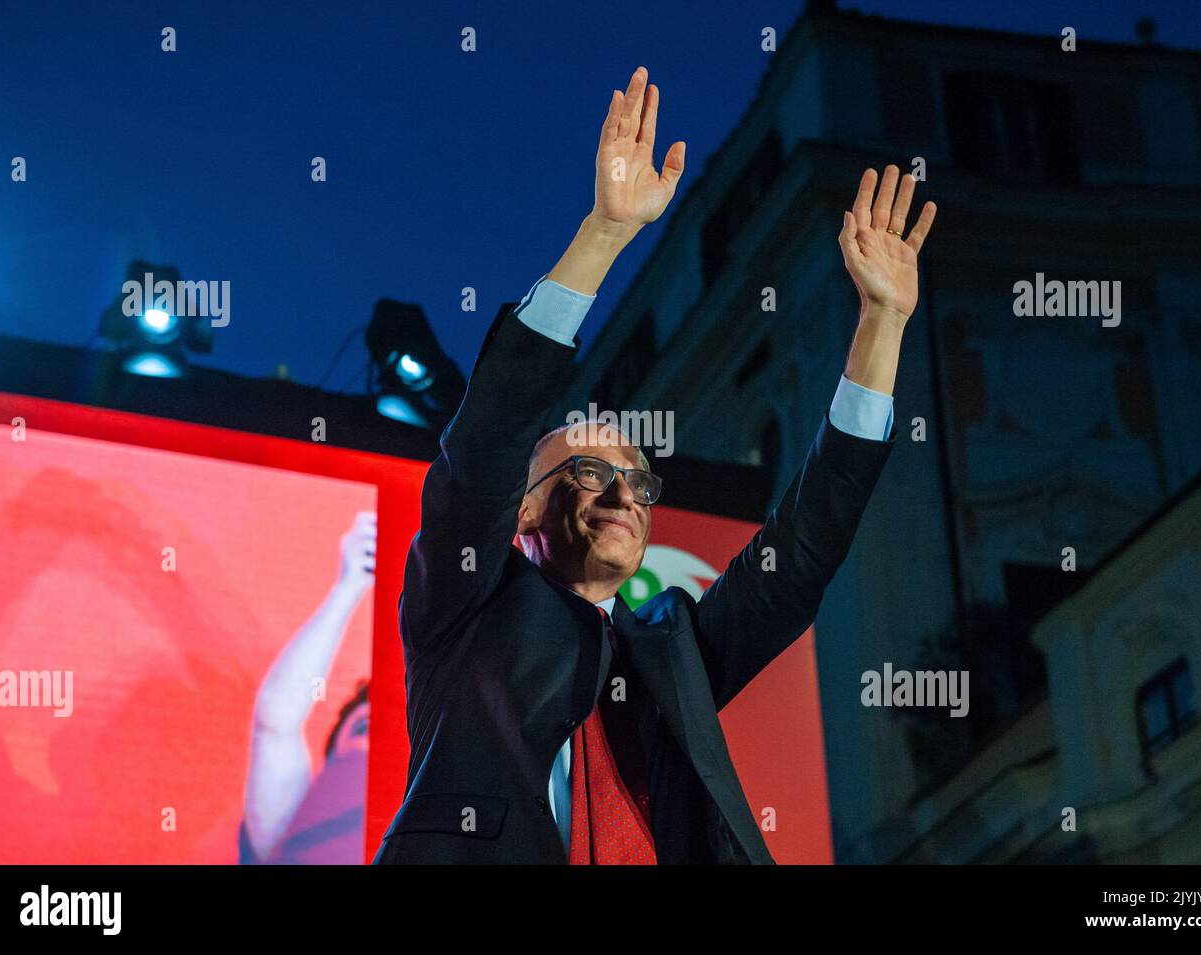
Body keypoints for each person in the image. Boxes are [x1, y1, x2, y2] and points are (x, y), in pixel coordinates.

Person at [374, 66, 936, 864]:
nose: (624, 492)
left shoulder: (676, 651)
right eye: (590, 471)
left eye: (639, 480)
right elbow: (486, 440)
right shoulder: (460, 604)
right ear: (525, 511)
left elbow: (805, 548)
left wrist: (883, 320)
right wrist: (606, 231)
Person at [240, 511, 375, 864]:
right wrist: (349, 587)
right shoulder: (293, 831)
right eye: (363, 727)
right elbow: (276, 720)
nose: (374, 747)